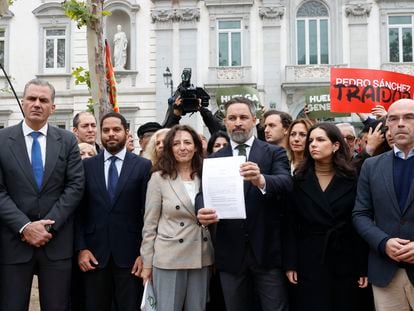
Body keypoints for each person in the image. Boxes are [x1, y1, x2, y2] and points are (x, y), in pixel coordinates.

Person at [197, 97, 292, 311]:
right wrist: (201, 211)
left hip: (266, 250)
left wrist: (261, 180)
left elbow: (286, 183)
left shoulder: (274, 152)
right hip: (230, 252)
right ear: (225, 123)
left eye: (243, 117)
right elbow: (203, 194)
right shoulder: (213, 160)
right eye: (232, 118)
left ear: (254, 120)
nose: (237, 122)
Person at [0, 78, 84, 311]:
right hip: (13, 243)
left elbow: (75, 186)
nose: (37, 104)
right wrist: (25, 226)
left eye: (43, 100)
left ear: (52, 107)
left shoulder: (67, 141)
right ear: (23, 103)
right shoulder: (2, 140)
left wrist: (47, 227)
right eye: (31, 99)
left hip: (56, 244)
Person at [284, 122, 368, 311]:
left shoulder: (353, 178)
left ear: (336, 145)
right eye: (311, 140)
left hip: (345, 258)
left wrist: (362, 266)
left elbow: (359, 224)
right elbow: (290, 224)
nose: (313, 144)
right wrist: (291, 263)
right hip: (309, 258)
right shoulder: (298, 180)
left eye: (320, 140)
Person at [75, 112, 151, 311]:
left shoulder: (143, 166)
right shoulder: (86, 166)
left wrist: (144, 253)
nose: (111, 134)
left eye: (116, 130)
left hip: (131, 256)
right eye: (106, 130)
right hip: (94, 256)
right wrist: (81, 248)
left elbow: (149, 214)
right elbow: (78, 212)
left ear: (126, 132)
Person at [140, 124, 214, 311]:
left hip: (201, 254)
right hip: (169, 257)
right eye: (176, 143)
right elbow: (149, 225)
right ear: (169, 148)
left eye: (188, 142)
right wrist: (147, 264)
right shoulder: (158, 178)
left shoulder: (206, 175)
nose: (183, 147)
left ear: (196, 146)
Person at [353, 98, 414, 311]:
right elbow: (360, 214)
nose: (400, 123)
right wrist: (383, 242)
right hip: (386, 272)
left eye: (409, 117)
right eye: (393, 118)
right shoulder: (371, 166)